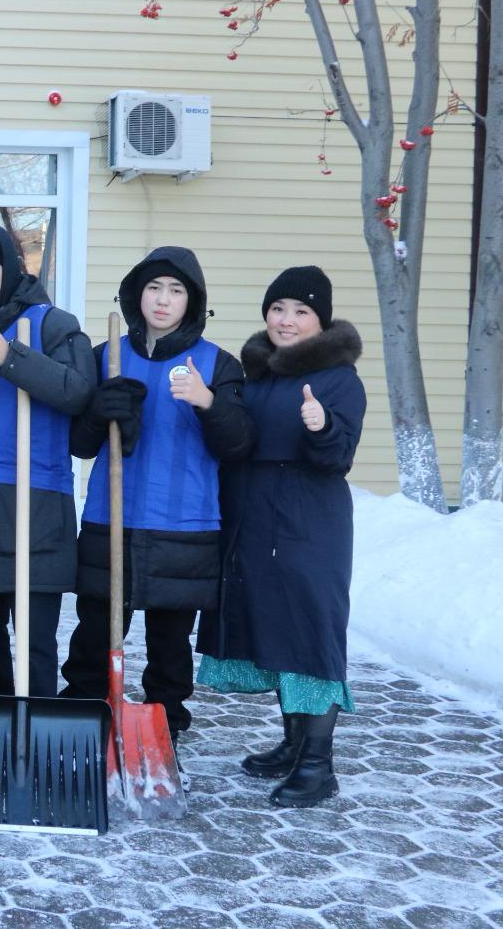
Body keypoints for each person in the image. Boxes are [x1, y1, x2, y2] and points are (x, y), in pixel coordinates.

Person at [58, 247, 253, 743]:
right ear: (135, 295)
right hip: (111, 518)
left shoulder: (216, 364)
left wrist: (208, 403)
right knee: (96, 630)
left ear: (194, 301)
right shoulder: (108, 357)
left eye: (176, 290)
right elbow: (78, 444)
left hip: (183, 524)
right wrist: (100, 410)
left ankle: (163, 725)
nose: (163, 300)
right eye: (153, 288)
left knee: (170, 638)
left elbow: (238, 445)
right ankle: (85, 714)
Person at [197, 266, 365, 808]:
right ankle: (294, 745)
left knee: (311, 632)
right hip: (256, 518)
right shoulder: (260, 373)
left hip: (308, 524)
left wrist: (322, 426)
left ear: (321, 321)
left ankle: (318, 766)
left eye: (301, 312)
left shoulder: (340, 378)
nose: (286, 320)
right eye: (278, 309)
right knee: (276, 628)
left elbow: (337, 458)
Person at [0, 223, 95, 698]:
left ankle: (36, 729)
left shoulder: (53, 323)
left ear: (9, 267)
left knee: (34, 640)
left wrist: (13, 357)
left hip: (36, 501)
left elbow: (79, 392)